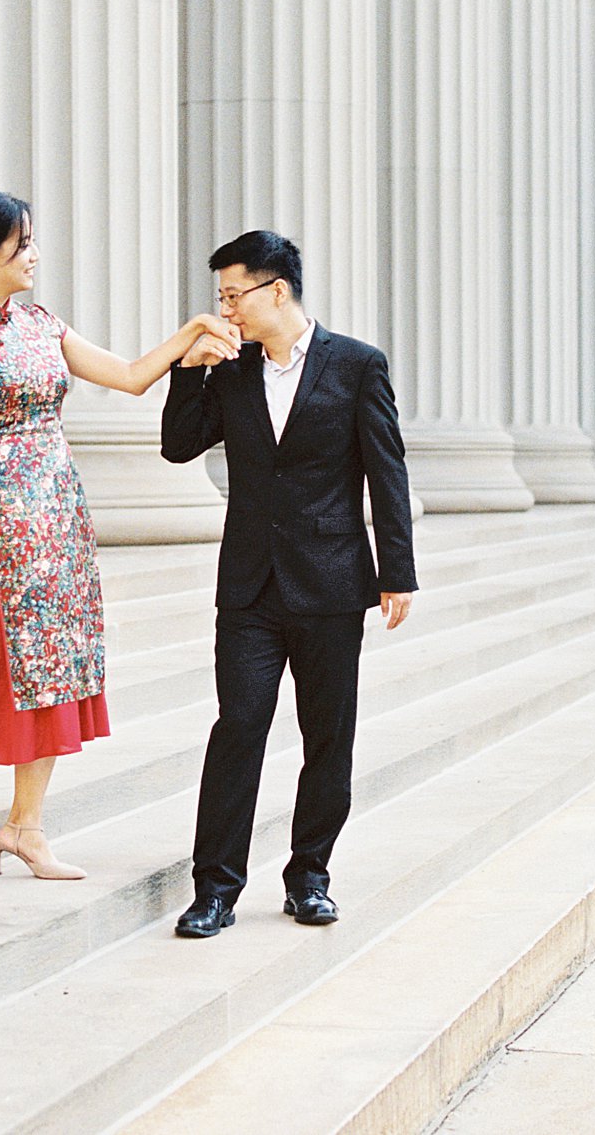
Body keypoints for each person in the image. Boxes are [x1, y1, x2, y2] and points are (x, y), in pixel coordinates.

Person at [0, 188, 240, 883]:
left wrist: (195, 331)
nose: (35, 254)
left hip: (62, 511)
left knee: (56, 669)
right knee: (14, 673)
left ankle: (19, 822)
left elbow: (131, 377)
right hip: (6, 517)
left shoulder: (43, 323)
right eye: (24, 245)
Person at [160, 230, 418, 939]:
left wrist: (396, 568)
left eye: (233, 294)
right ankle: (214, 888)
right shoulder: (232, 370)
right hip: (247, 587)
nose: (226, 309)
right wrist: (189, 368)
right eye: (220, 297)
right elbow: (179, 444)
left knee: (327, 737)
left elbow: (386, 468)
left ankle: (310, 874)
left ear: (277, 290)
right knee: (238, 726)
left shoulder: (358, 364)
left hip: (331, 582)